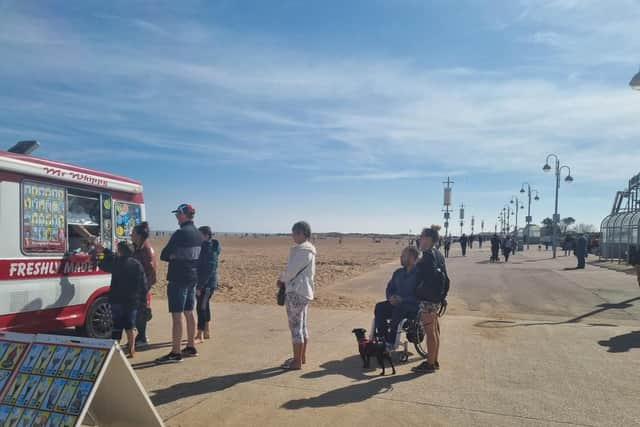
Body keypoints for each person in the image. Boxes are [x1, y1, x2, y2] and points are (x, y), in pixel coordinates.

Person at [156, 204, 202, 364]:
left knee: (177, 316)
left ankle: (175, 352)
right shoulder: (197, 233)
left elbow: (164, 254)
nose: (176, 216)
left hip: (178, 278)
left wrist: (174, 256)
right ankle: (190, 346)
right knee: (189, 312)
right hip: (192, 277)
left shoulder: (180, 233)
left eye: (178, 214)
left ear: (184, 215)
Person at [277, 221, 316, 370]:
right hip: (305, 291)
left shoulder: (302, 250)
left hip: (296, 291)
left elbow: (291, 271)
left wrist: (281, 280)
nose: (293, 236)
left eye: (294, 233)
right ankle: (301, 357)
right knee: (302, 325)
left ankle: (296, 361)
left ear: (301, 233)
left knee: (296, 328)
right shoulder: (310, 250)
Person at [97, 241, 146, 358]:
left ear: (120, 251)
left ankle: (115, 350)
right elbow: (143, 284)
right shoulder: (137, 264)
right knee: (130, 326)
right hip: (132, 300)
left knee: (116, 326)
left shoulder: (116, 262)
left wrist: (102, 254)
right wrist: (143, 300)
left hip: (116, 299)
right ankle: (131, 349)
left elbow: (102, 265)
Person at [413, 226, 449, 373]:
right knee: (434, 330)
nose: (419, 239)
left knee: (430, 332)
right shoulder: (438, 254)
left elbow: (426, 279)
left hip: (428, 299)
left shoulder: (428, 256)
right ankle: (434, 360)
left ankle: (429, 364)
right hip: (436, 298)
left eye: (421, 236)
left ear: (428, 239)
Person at [373, 247, 419, 349]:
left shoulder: (419, 275)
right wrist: (390, 298)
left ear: (411, 258)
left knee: (399, 310)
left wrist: (403, 299)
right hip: (396, 304)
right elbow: (390, 288)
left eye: (404, 255)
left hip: (411, 308)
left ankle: (391, 341)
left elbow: (419, 296)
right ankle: (382, 337)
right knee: (379, 307)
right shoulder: (398, 273)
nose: (401, 257)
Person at [132, 222, 157, 348]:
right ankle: (140, 336)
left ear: (139, 235)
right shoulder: (139, 248)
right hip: (138, 286)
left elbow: (151, 270)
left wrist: (145, 287)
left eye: (133, 234)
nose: (131, 236)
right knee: (137, 313)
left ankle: (142, 337)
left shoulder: (146, 250)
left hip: (142, 287)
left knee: (141, 313)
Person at [195, 226, 221, 343]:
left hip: (207, 284)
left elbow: (209, 269)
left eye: (199, 235)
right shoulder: (207, 246)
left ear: (206, 235)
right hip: (206, 282)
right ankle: (206, 330)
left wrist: (200, 286)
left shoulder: (209, 248)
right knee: (205, 305)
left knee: (201, 307)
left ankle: (200, 334)